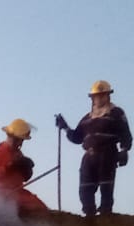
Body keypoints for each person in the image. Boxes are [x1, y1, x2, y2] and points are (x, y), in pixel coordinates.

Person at [56, 81, 132, 216]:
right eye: (96, 96)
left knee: (106, 187)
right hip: (89, 156)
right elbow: (77, 138)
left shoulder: (116, 113)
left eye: (102, 95)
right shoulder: (87, 118)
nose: (99, 98)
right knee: (85, 189)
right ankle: (89, 217)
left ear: (108, 96)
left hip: (107, 154)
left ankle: (105, 217)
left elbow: (125, 133)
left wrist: (124, 150)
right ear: (92, 98)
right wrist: (65, 127)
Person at [0, 118, 49, 216]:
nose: (20, 144)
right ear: (11, 136)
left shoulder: (19, 155)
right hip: (5, 195)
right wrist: (11, 166)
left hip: (20, 194)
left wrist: (27, 171)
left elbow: (24, 179)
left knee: (43, 209)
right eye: (19, 140)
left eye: (22, 141)